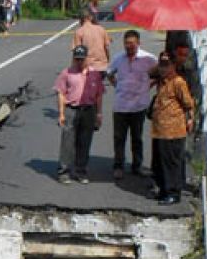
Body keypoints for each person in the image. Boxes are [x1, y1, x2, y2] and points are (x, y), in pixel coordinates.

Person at [107, 30, 157, 179]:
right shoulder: (118, 58)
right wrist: (117, 85)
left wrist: (148, 86)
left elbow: (160, 72)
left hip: (138, 105)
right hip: (121, 105)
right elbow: (109, 73)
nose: (129, 47)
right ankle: (118, 166)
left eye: (132, 44)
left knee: (137, 138)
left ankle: (137, 166)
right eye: (127, 44)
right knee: (119, 138)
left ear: (138, 43)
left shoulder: (148, 58)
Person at [55, 45, 106, 184]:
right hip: (72, 109)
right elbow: (60, 93)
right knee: (68, 142)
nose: (79, 61)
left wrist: (99, 114)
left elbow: (99, 95)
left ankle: (80, 171)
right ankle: (64, 172)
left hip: (89, 110)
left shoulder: (94, 74)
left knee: (84, 141)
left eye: (81, 59)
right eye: (76, 59)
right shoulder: (67, 73)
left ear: (87, 58)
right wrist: (61, 113)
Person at [150, 52, 196, 205]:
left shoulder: (178, 83)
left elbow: (188, 104)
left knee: (171, 163)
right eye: (161, 65)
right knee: (159, 162)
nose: (163, 69)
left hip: (173, 130)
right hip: (159, 130)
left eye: (166, 65)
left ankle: (173, 193)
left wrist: (190, 120)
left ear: (173, 66)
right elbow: (148, 73)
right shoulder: (161, 82)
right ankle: (163, 190)